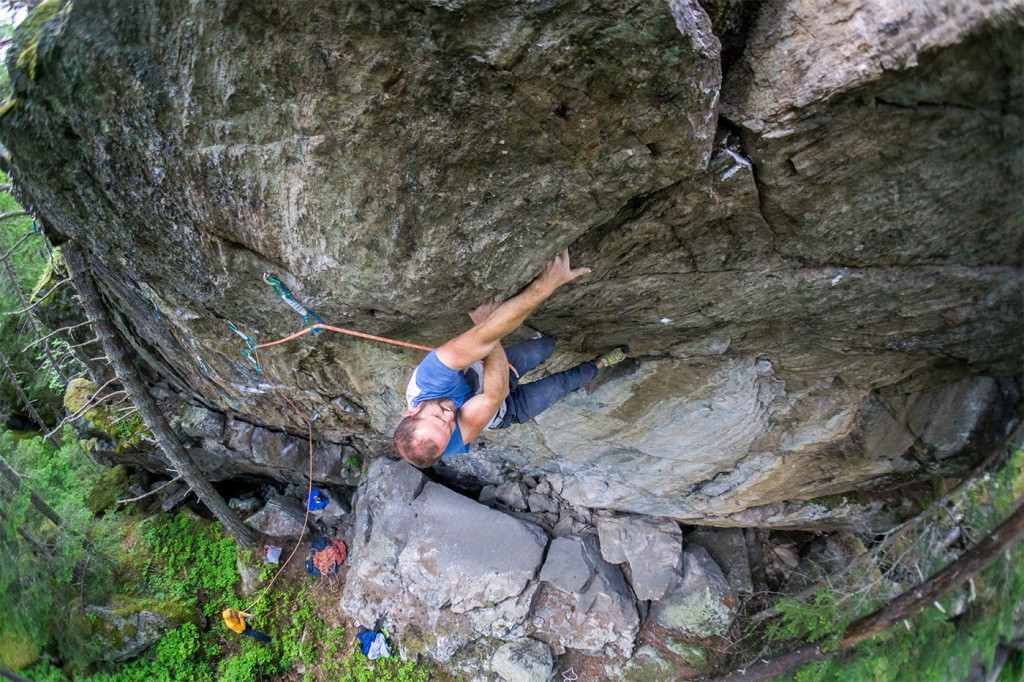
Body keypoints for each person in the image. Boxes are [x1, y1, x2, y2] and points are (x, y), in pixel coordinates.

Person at [394, 249, 629, 469]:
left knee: (546, 346)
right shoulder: (447, 441)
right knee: (562, 384)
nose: (449, 415)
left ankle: (541, 340)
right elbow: (495, 395)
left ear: (411, 412)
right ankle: (599, 364)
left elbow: (483, 338)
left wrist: (541, 288)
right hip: (507, 409)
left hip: (493, 371)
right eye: (449, 426)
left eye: (437, 416)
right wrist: (491, 323)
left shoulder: (428, 380)